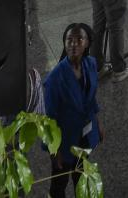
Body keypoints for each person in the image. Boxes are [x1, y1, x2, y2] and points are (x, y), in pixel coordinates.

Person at [43, 23, 101, 198]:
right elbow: (49, 118)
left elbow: (90, 98)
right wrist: (54, 151)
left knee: (81, 174)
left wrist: (98, 124)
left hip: (84, 135)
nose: (74, 44)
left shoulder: (91, 64)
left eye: (79, 39)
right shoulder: (55, 78)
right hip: (64, 140)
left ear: (87, 43)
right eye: (69, 40)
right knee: (59, 182)